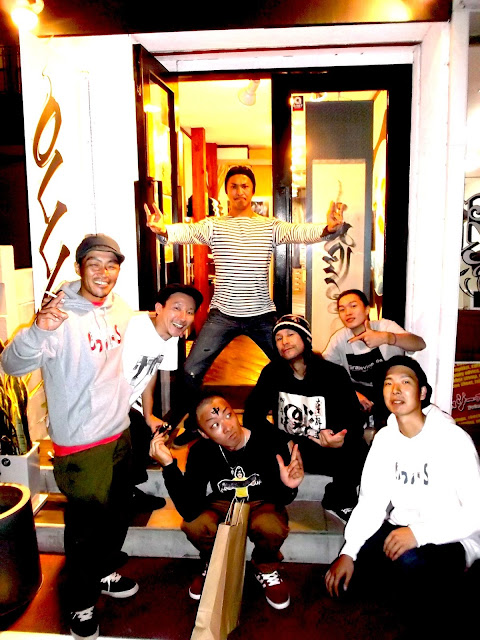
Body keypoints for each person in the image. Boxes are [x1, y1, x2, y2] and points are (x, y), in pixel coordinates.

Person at [145, 166, 348, 443]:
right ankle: (196, 424)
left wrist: (327, 229)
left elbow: (299, 231)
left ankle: (299, 420)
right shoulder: (214, 225)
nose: (239, 191)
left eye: (244, 186)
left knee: (293, 363)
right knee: (191, 370)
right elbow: (187, 232)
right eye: (234, 186)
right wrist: (163, 230)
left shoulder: (269, 226)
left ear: (252, 191)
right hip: (222, 314)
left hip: (261, 314)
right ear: (226, 192)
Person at [1, 234, 138, 640]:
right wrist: (38, 331)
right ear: (79, 268)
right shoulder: (59, 314)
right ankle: (80, 603)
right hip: (81, 445)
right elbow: (11, 364)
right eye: (94, 263)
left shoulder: (120, 308)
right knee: (85, 534)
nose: (103, 272)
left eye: (111, 264)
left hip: (120, 433)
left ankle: (105, 571)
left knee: (117, 518)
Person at [325, 356, 480, 635]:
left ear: (422, 393)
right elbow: (371, 502)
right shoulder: (385, 439)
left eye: (405, 382)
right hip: (401, 528)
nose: (395, 390)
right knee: (346, 584)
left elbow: (475, 514)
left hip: (454, 536)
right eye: (388, 384)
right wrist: (349, 551)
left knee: (410, 567)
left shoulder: (454, 439)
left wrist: (418, 534)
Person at [149, 392, 304, 610]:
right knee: (195, 525)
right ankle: (213, 563)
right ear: (204, 434)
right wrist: (168, 466)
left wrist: (289, 487)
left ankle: (266, 567)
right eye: (215, 425)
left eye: (228, 415)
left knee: (270, 525)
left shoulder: (267, 440)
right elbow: (189, 509)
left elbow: (281, 499)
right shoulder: (200, 451)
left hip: (262, 501)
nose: (228, 427)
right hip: (223, 502)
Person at [244, 314, 367, 522]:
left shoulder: (333, 374)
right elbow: (251, 416)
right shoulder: (272, 373)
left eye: (291, 335)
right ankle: (276, 498)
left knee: (359, 449)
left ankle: (338, 499)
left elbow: (354, 417)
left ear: (306, 339)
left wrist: (338, 438)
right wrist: (284, 441)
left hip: (323, 448)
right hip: (287, 447)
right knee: (255, 445)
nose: (284, 342)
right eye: (278, 338)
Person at [122, 283, 203, 510]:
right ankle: (121, 496)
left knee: (147, 431)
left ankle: (129, 490)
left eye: (189, 312)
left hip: (126, 405)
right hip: (104, 405)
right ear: (159, 308)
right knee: (132, 436)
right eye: (176, 308)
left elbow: (151, 373)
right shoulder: (134, 326)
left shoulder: (171, 337)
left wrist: (148, 415)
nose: (183, 317)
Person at [322, 289, 426, 426]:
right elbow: (323, 371)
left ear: (366, 309)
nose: (348, 312)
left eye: (353, 306)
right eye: (342, 309)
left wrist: (387, 337)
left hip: (392, 389)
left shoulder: (385, 326)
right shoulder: (340, 338)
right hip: (361, 393)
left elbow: (419, 344)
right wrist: (352, 393)